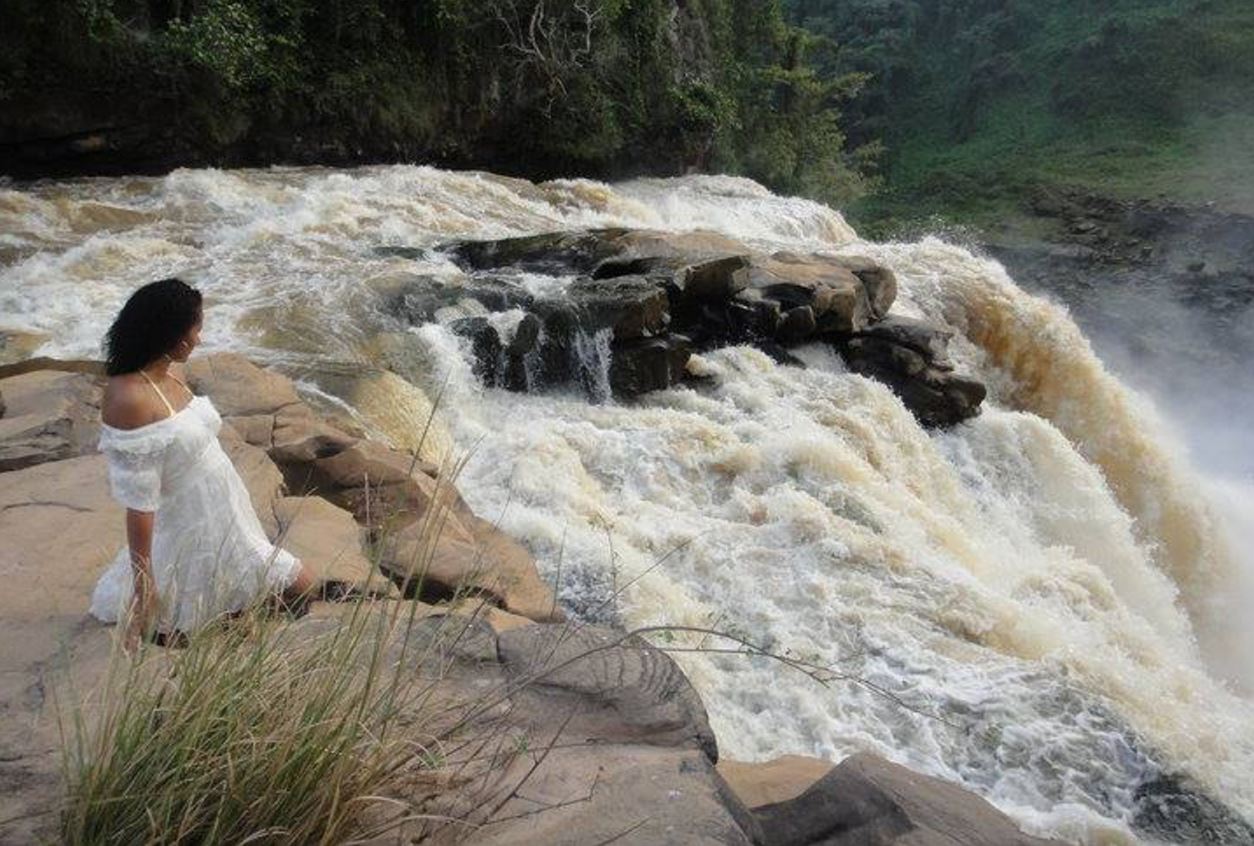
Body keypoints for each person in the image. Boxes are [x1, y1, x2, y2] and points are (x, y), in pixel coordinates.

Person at [89, 278, 316, 649]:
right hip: (188, 525)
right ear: (173, 338)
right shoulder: (128, 398)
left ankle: (225, 620)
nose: (200, 339)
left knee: (300, 588)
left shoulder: (169, 371)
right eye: (196, 329)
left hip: (226, 514)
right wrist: (145, 586)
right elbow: (139, 503)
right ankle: (180, 624)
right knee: (297, 586)